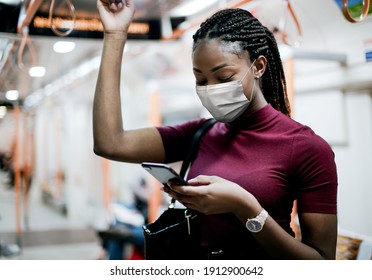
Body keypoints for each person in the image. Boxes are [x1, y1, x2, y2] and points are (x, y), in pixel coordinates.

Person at [93, 0, 338, 260]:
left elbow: (321, 263)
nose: (210, 89)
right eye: (201, 80)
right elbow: (110, 143)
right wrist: (115, 34)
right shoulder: (200, 133)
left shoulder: (306, 147)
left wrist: (244, 207)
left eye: (223, 78)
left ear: (258, 66)